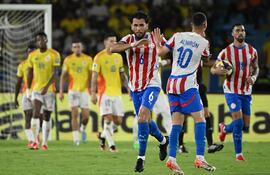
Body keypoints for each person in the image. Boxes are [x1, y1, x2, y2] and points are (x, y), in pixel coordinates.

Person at [153, 12, 216, 174]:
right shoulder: (204, 42)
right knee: (200, 119)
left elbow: (160, 52)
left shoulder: (177, 36)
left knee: (176, 123)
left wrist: (158, 43)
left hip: (172, 83)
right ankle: (200, 158)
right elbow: (206, 59)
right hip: (187, 84)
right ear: (205, 25)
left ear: (191, 24)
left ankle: (172, 159)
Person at [110, 11, 169, 172]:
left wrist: (159, 44)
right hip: (135, 86)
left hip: (152, 84)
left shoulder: (154, 37)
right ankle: (164, 141)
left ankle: (140, 159)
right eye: (135, 25)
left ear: (147, 26)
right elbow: (112, 49)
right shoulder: (128, 39)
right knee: (146, 121)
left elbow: (168, 49)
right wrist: (132, 45)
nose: (138, 28)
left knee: (143, 115)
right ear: (131, 26)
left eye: (141, 25)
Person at [211, 23, 259, 161]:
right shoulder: (226, 52)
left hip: (246, 91)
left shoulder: (252, 51)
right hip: (231, 90)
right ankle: (239, 155)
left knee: (245, 125)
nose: (240, 33)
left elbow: (256, 68)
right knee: (238, 122)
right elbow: (214, 69)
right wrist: (218, 71)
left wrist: (254, 77)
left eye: (243, 30)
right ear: (232, 34)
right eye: (237, 30)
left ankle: (225, 128)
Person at [91, 34, 129, 152]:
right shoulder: (99, 57)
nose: (114, 43)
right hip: (104, 94)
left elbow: (122, 75)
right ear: (105, 43)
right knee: (108, 119)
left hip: (117, 93)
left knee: (118, 121)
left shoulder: (118, 57)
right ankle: (112, 146)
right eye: (111, 41)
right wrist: (93, 92)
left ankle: (102, 136)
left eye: (115, 42)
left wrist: (129, 90)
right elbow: (94, 76)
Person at [178, 60, 224, 154]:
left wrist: (219, 63)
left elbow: (209, 63)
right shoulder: (189, 57)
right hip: (188, 88)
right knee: (184, 116)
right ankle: (180, 145)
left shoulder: (200, 57)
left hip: (200, 88)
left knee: (206, 114)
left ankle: (210, 145)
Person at [27, 32, 61, 150]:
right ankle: (35, 140)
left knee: (47, 116)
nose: (40, 42)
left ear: (46, 40)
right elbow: (30, 73)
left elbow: (56, 74)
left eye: (42, 40)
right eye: (38, 40)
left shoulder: (54, 54)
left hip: (50, 90)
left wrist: (46, 87)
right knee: (36, 113)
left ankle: (45, 142)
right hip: (36, 90)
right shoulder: (32, 55)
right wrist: (27, 88)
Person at [59, 41, 92, 146]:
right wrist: (61, 91)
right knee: (74, 114)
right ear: (72, 49)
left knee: (86, 116)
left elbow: (91, 75)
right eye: (75, 47)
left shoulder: (88, 59)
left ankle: (83, 128)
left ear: (82, 47)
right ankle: (76, 139)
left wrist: (91, 88)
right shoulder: (68, 60)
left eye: (78, 46)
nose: (77, 48)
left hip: (84, 91)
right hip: (73, 91)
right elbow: (63, 76)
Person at [15, 45, 36, 148]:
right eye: (29, 52)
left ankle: (35, 138)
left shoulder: (39, 64)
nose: (31, 54)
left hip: (37, 93)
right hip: (25, 94)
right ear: (27, 53)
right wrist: (15, 97)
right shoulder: (22, 65)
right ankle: (32, 140)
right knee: (28, 117)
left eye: (33, 52)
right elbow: (18, 82)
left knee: (36, 117)